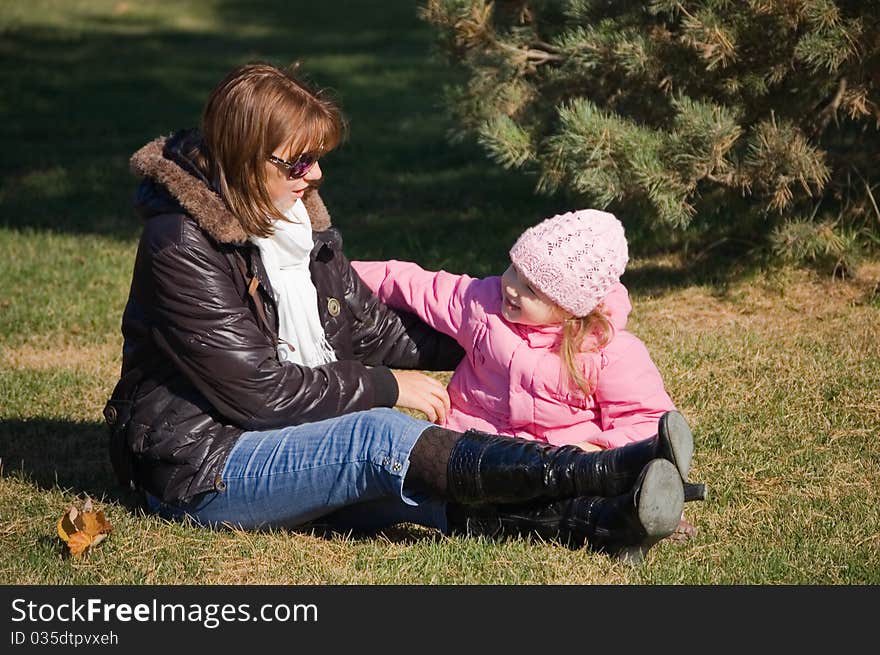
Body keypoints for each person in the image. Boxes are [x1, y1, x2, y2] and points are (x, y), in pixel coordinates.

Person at [104, 61, 688, 564]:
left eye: (318, 158)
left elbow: (365, 327)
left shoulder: (290, 219)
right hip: (202, 468)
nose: (316, 175)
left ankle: (604, 519)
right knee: (378, 439)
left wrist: (497, 338)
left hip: (282, 439)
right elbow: (262, 394)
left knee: (410, 477)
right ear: (243, 157)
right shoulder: (180, 244)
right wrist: (387, 387)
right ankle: (598, 472)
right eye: (298, 163)